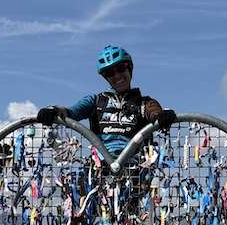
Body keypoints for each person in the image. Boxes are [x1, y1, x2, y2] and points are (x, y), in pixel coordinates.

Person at [35, 44, 176, 158]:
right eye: (110, 73)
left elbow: (155, 113)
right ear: (105, 77)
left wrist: (163, 116)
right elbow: (71, 112)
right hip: (102, 173)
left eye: (121, 69)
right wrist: (53, 110)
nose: (117, 76)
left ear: (129, 68)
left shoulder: (145, 103)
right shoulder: (95, 101)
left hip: (136, 173)